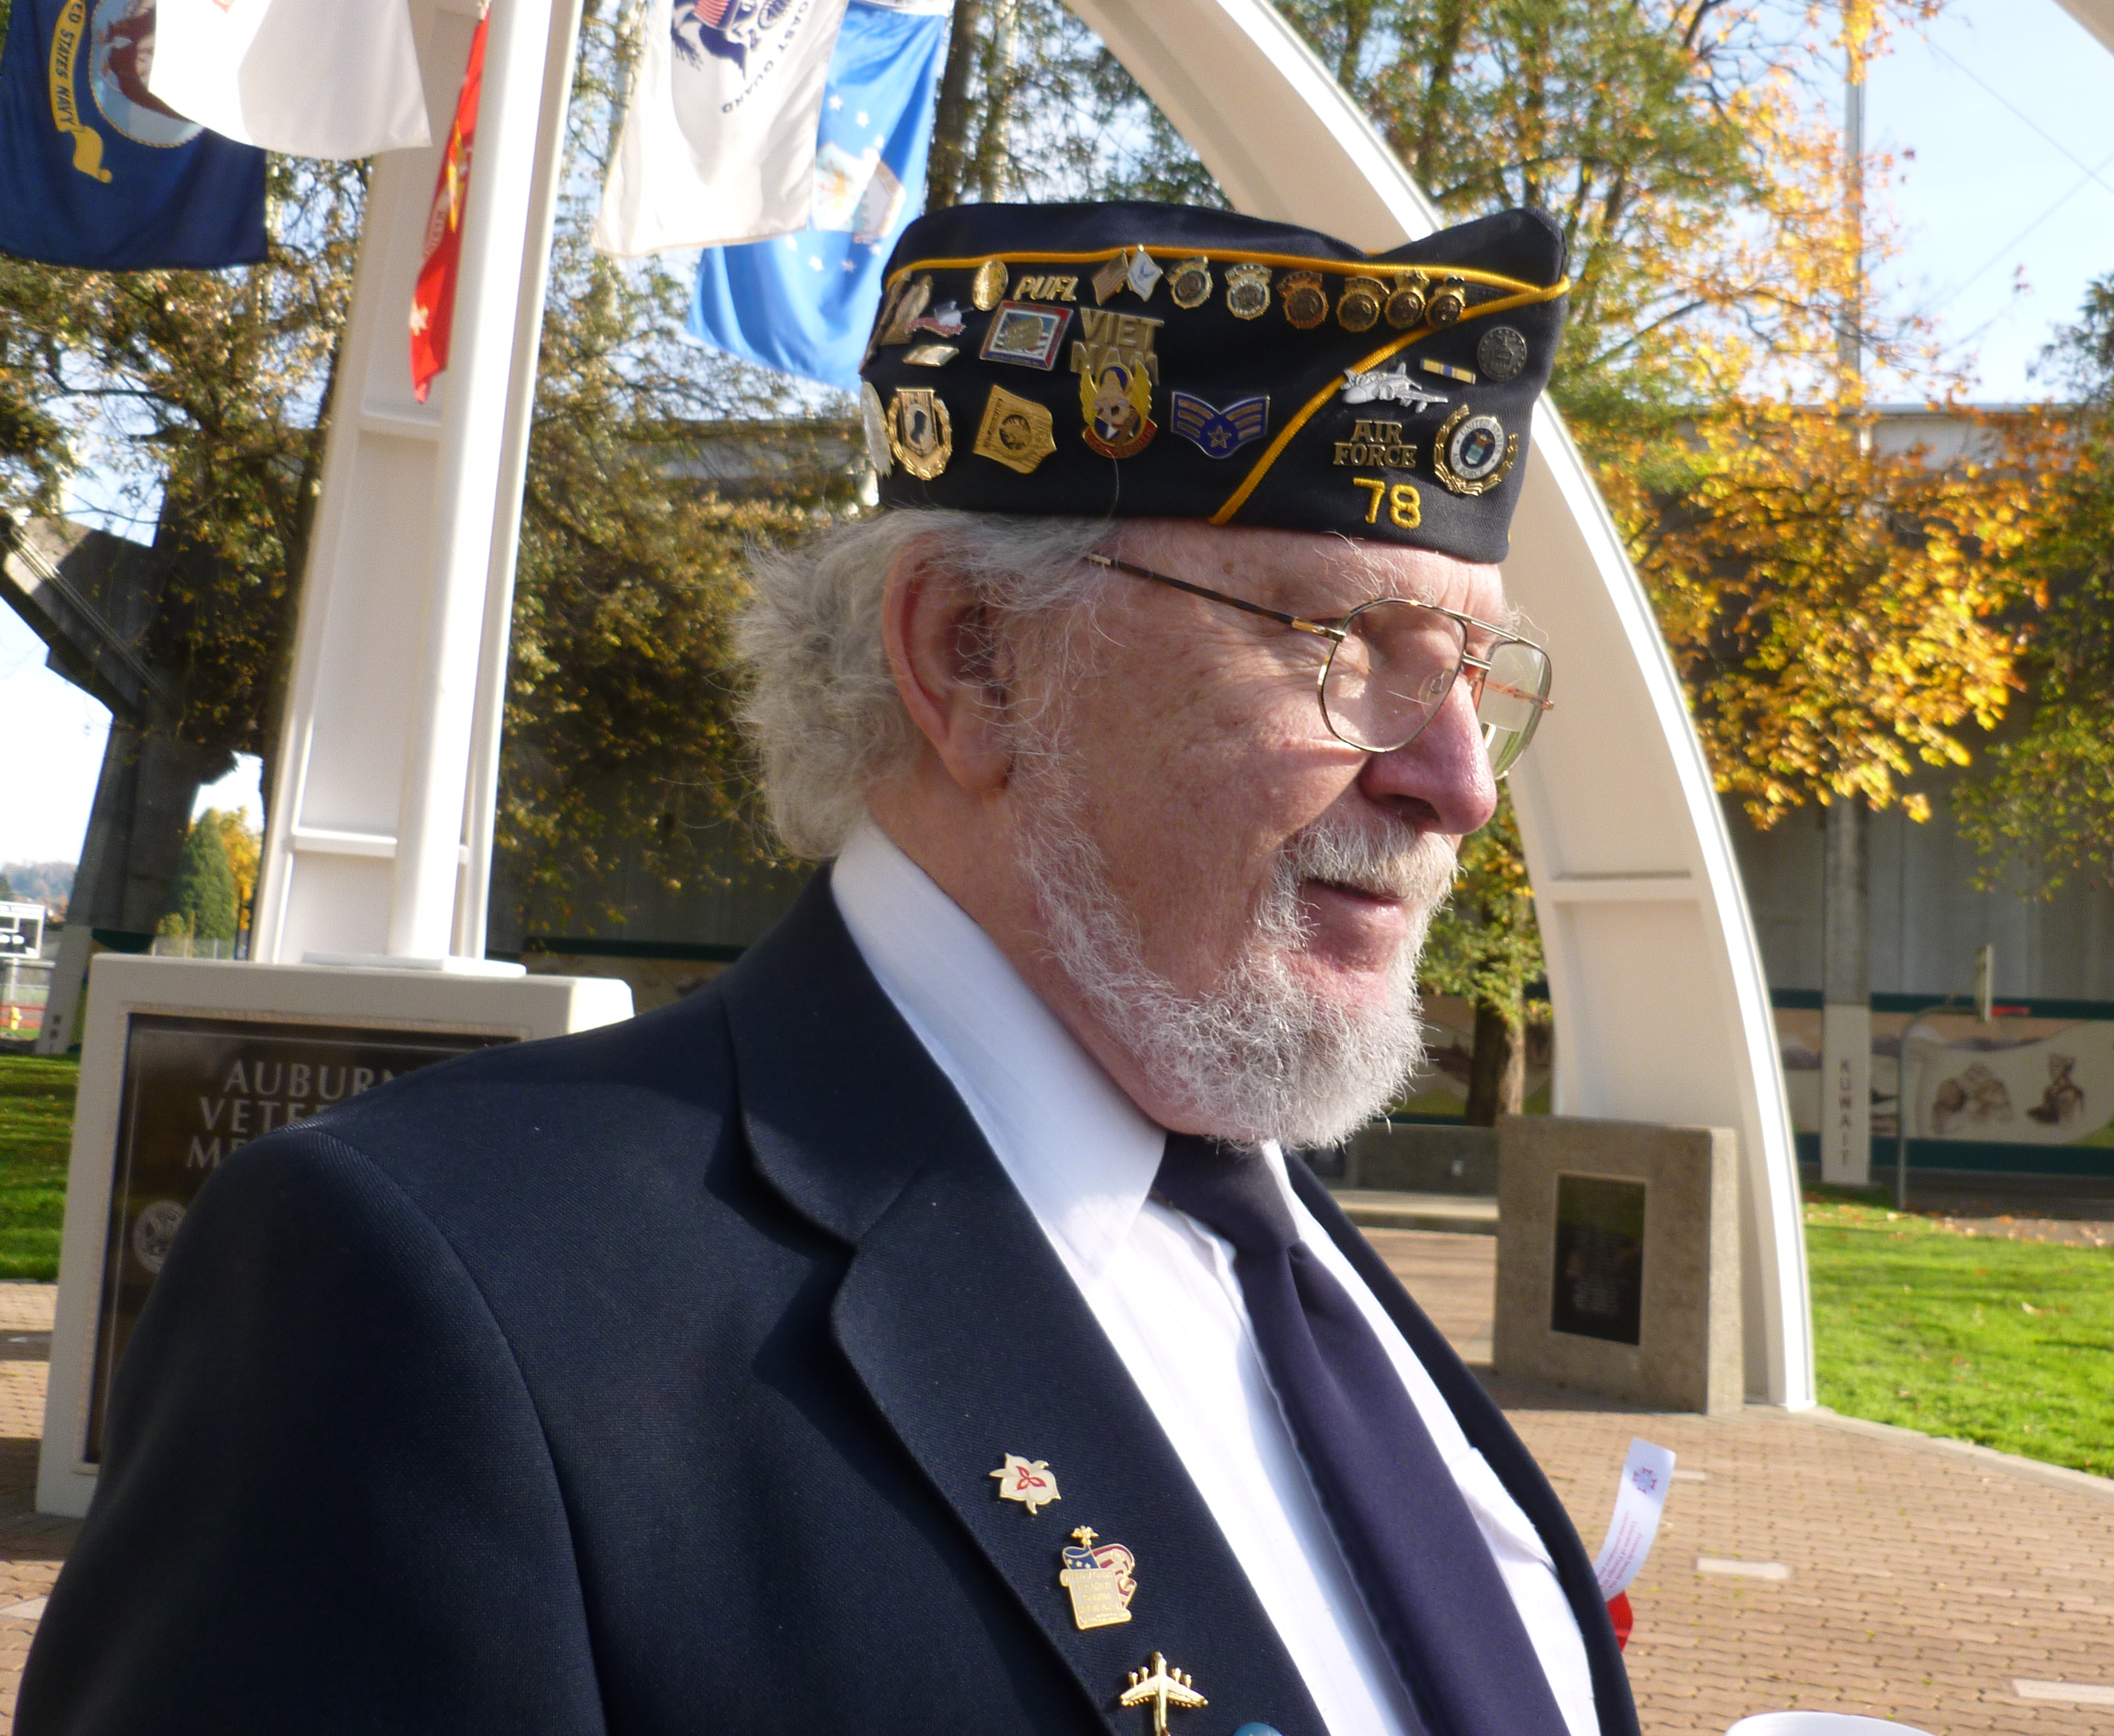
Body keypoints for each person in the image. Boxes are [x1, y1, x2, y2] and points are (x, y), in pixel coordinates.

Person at [20, 201, 1632, 1736]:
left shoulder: (1284, 1256)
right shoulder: (429, 1295)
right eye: (1347, 648)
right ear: (971, 659)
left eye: (1476, 679)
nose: (1458, 784)